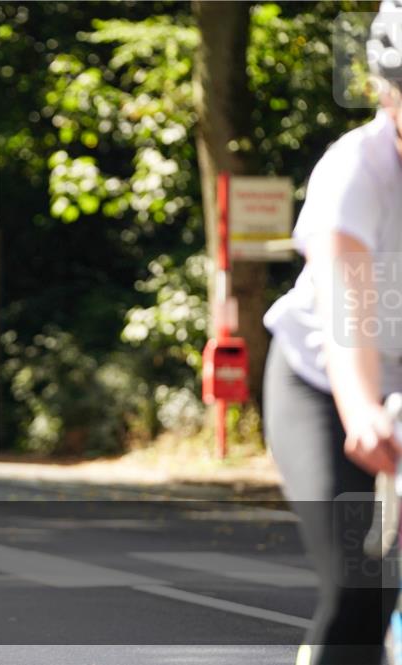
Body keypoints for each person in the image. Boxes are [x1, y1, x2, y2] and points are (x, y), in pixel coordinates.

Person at [263, 3, 402, 663]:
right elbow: (351, 313)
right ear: (385, 88)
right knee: (361, 581)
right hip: (322, 384)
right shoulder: (355, 171)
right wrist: (363, 412)